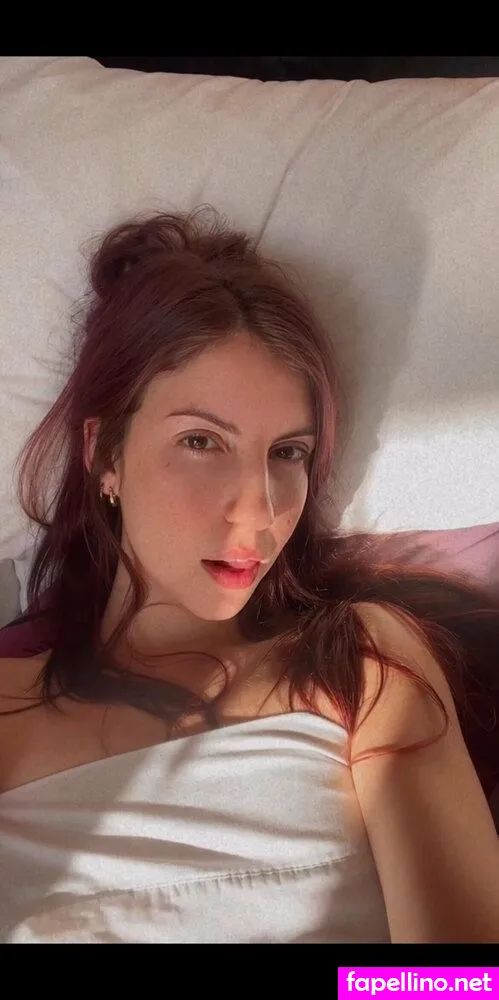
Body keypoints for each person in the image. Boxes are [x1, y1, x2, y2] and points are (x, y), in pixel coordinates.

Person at [0, 209, 497, 944]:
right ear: (104, 454)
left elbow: (458, 982)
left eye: (287, 453)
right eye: (202, 442)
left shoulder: (360, 664)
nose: (258, 512)